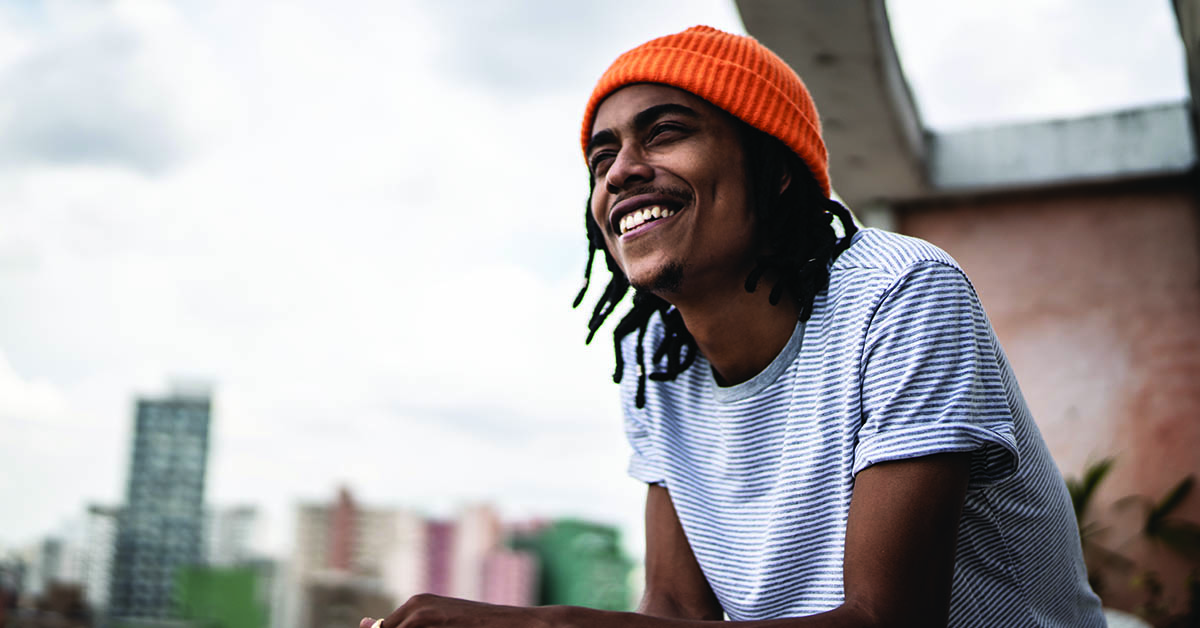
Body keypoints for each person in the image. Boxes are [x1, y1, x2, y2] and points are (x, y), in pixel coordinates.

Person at [362, 25, 1106, 627]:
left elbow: (886, 620)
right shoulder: (655, 357)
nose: (621, 171)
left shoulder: (901, 295)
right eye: (602, 155)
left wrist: (541, 627)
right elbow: (678, 610)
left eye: (664, 133)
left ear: (773, 167)